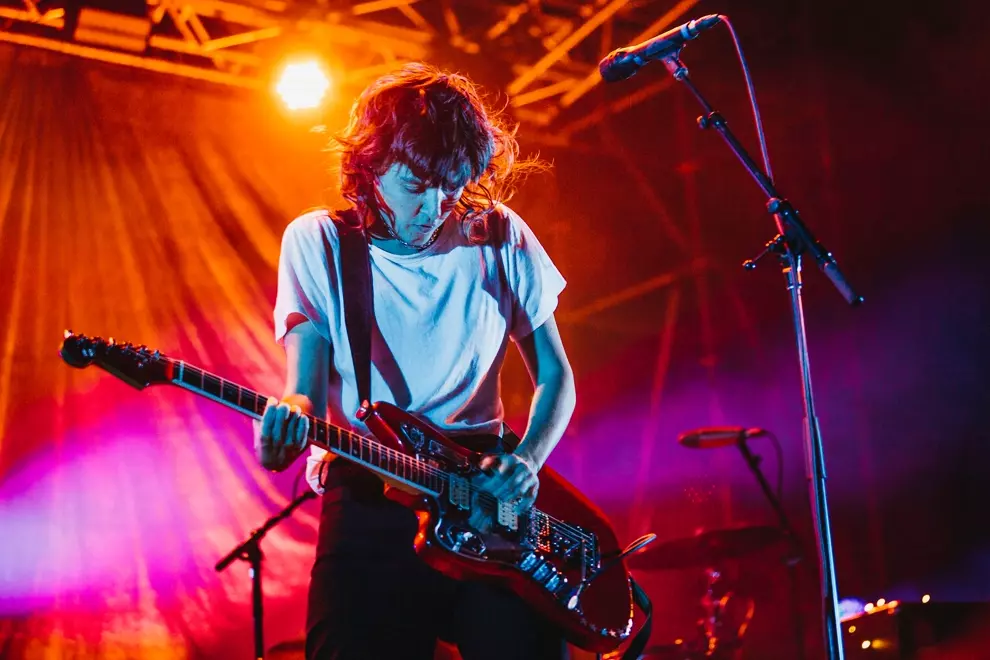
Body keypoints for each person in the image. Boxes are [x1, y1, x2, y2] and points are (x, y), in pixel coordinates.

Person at [253, 62, 576, 660]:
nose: (434, 205)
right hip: (372, 490)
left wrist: (527, 461)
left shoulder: (499, 234)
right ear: (370, 164)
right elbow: (302, 385)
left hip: (485, 493)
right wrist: (285, 421)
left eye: (451, 184)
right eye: (416, 182)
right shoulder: (318, 241)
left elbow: (556, 376)